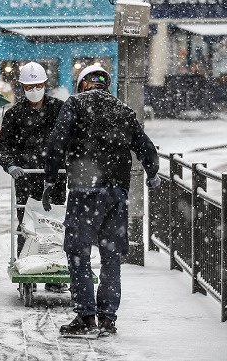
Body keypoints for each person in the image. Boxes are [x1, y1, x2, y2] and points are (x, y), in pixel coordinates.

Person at [42, 65, 161, 337]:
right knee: (110, 257)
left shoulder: (75, 104)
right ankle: (107, 319)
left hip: (86, 191)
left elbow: (56, 143)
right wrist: (152, 173)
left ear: (83, 85)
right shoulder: (123, 110)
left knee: (78, 253)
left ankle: (85, 317)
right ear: (107, 85)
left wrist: (50, 179)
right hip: (117, 193)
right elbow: (145, 146)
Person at [0, 61, 67, 293]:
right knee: (27, 227)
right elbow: (3, 146)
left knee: (53, 226)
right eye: (29, 86)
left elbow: (70, 139)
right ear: (22, 87)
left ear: (45, 84)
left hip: (53, 179)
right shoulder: (14, 114)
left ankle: (53, 271)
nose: (33, 90)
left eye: (38, 85)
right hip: (26, 179)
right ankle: (27, 269)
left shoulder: (60, 109)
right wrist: (10, 165)